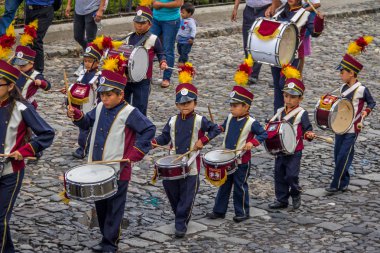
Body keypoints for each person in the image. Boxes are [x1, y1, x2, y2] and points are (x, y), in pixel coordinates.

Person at [67, 69, 156, 253]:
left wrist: (134, 154)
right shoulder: (100, 107)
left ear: (121, 94)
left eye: (109, 95)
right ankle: (105, 236)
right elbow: (86, 122)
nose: (104, 99)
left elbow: (148, 129)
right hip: (97, 167)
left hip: (119, 169)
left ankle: (110, 243)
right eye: (102, 95)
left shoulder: (130, 112)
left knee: (115, 207)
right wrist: (76, 114)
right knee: (100, 204)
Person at [151, 80, 221, 238]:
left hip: (191, 165)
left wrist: (203, 140)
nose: (185, 106)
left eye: (188, 102)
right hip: (173, 163)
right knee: (172, 192)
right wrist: (154, 143)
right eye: (181, 103)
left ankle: (181, 222)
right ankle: (180, 216)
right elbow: (164, 137)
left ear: (195, 103)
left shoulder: (200, 120)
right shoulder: (172, 120)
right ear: (177, 105)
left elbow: (215, 129)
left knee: (187, 195)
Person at [0, 60, 55, 253]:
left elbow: (47, 133)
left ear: (11, 86)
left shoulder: (22, 108)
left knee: (1, 219)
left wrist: (22, 152)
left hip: (10, 172)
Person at [206, 85, 267, 222]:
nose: (231, 108)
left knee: (240, 186)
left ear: (246, 107)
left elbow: (264, 134)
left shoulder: (252, 123)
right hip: (227, 159)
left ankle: (242, 212)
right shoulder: (230, 118)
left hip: (242, 162)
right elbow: (223, 127)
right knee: (224, 185)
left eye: (235, 106)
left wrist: (253, 142)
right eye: (231, 105)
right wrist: (217, 128)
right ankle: (219, 211)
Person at [326, 49, 376, 194]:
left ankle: (335, 184)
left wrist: (365, 113)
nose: (340, 75)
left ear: (352, 73)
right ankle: (344, 182)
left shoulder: (362, 90)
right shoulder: (342, 88)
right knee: (338, 155)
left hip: (353, 128)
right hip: (340, 126)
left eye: (342, 72)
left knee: (343, 156)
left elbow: (371, 103)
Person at [267, 67, 316, 209]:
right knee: (279, 174)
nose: (288, 99)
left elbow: (308, 129)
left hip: (294, 150)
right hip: (280, 149)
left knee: (291, 176)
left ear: (300, 98)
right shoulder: (279, 112)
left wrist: (309, 135)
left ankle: (295, 192)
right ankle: (281, 199)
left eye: (293, 97)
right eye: (286, 96)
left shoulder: (302, 113)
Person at [270, 0, 324, 113]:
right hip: (277, 55)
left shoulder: (305, 14)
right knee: (276, 85)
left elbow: (315, 33)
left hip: (293, 56)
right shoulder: (280, 11)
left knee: (285, 85)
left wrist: (319, 20)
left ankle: (290, 113)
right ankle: (277, 114)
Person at [123, 4, 167, 116]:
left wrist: (163, 62)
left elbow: (161, 53)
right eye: (137, 23)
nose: (139, 26)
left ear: (150, 24)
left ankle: (140, 131)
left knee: (140, 107)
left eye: (143, 23)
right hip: (127, 78)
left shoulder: (153, 39)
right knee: (123, 105)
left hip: (143, 79)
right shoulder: (128, 37)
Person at [63, 43, 102, 159]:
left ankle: (82, 150)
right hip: (82, 107)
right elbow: (77, 86)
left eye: (90, 61)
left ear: (97, 62)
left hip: (92, 107)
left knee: (86, 130)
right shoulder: (83, 73)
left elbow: (100, 93)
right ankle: (88, 148)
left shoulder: (99, 76)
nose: (87, 63)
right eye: (85, 61)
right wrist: (68, 90)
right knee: (84, 129)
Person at [231, 0, 282, 85]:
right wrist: (235, 7)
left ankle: (277, 77)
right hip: (249, 10)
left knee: (268, 44)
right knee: (248, 44)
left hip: (265, 9)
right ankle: (252, 73)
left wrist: (272, 6)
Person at [151, 0, 183, 88]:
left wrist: (160, 5)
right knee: (148, 46)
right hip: (155, 19)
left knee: (168, 49)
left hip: (171, 21)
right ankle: (145, 76)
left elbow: (179, 3)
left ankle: (166, 78)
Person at [25, 0, 55, 73]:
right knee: (28, 41)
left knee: (36, 40)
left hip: (44, 10)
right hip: (30, 10)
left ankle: (38, 73)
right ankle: (28, 69)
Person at [298, 0, 321, 74]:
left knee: (300, 53)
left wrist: (302, 11)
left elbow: (317, 4)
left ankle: (299, 75)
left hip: (303, 21)